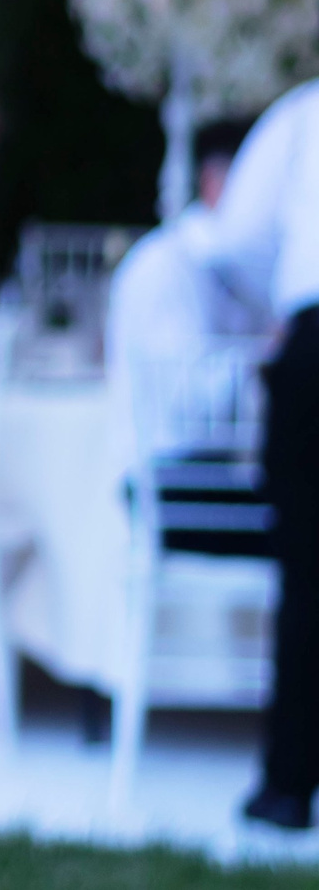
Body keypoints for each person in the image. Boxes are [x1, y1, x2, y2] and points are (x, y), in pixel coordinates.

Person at [193, 80, 319, 831]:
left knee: (307, 574)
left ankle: (289, 783)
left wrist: (276, 299)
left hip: (314, 343)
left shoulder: (305, 112)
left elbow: (235, 236)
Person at [106, 118, 267, 461]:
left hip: (199, 465)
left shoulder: (216, 264)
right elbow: (189, 402)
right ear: (214, 184)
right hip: (175, 472)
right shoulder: (168, 267)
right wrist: (271, 353)